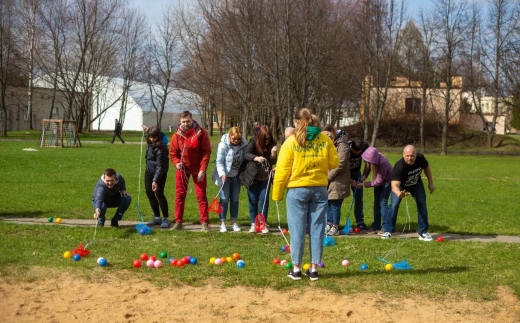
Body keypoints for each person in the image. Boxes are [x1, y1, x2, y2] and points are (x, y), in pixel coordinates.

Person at [272, 108, 339, 281]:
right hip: (319, 188)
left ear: (296, 122)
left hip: (297, 189)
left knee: (297, 230)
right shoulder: (325, 139)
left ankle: (296, 269)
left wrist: (277, 194)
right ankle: (314, 269)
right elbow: (335, 162)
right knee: (317, 229)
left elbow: (282, 170)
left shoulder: (291, 141)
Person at [381, 145, 435, 241]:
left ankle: (423, 232)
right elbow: (394, 186)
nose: (410, 158)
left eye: (412, 155)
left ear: (416, 154)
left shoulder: (420, 158)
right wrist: (399, 193)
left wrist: (430, 182)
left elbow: (427, 168)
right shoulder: (399, 167)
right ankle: (388, 231)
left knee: (422, 203)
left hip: (416, 183)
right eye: (407, 156)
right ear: (403, 155)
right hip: (400, 187)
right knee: (394, 205)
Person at [169, 111, 212, 231]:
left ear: (192, 120)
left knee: (201, 195)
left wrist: (203, 169)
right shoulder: (176, 135)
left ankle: (204, 222)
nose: (185, 124)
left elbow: (206, 152)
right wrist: (177, 162)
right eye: (183, 122)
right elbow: (173, 153)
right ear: (180, 121)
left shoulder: (201, 133)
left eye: (188, 121)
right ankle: (178, 221)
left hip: (198, 169)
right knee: (179, 195)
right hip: (182, 170)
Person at [212, 126, 248, 232]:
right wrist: (222, 173)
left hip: (236, 176)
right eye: (234, 139)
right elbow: (219, 162)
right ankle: (222, 223)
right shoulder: (223, 145)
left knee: (235, 199)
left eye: (238, 139)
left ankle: (234, 222)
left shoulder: (244, 145)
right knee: (224, 199)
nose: (236, 141)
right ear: (229, 136)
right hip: (225, 176)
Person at [243, 125, 277, 234]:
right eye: (265, 138)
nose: (267, 141)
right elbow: (246, 154)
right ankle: (254, 223)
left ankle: (262, 224)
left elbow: (272, 162)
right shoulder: (253, 140)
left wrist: (273, 154)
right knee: (253, 199)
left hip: (265, 176)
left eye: (269, 138)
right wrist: (256, 158)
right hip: (253, 175)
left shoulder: (272, 143)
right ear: (260, 137)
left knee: (264, 199)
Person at [353, 147, 392, 232]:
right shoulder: (372, 162)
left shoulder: (383, 163)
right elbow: (368, 169)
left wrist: (364, 184)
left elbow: (378, 181)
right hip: (380, 182)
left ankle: (387, 226)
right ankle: (376, 225)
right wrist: (364, 176)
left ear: (371, 161)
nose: (364, 161)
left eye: (366, 160)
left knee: (383, 203)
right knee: (376, 203)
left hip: (387, 183)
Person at [322, 125, 350, 236]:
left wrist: (327, 177)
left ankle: (335, 226)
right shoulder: (330, 144)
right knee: (328, 202)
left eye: (328, 135)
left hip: (338, 179)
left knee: (335, 203)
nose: (327, 137)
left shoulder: (342, 144)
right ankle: (329, 223)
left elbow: (340, 164)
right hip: (329, 177)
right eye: (324, 136)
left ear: (333, 132)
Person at [140, 125, 170, 228]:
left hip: (160, 172)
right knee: (149, 193)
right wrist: (147, 130)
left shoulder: (161, 148)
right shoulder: (150, 141)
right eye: (150, 137)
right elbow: (150, 135)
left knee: (159, 193)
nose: (151, 139)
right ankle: (157, 217)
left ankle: (166, 218)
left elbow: (160, 167)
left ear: (158, 137)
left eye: (154, 137)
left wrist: (155, 181)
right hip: (149, 171)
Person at [349, 137, 370, 231]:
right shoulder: (345, 148)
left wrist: (364, 176)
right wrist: (349, 180)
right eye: (354, 151)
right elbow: (340, 166)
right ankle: (333, 222)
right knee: (338, 198)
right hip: (344, 174)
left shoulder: (365, 147)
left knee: (358, 198)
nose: (357, 153)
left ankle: (360, 222)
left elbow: (368, 164)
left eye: (359, 152)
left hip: (357, 173)